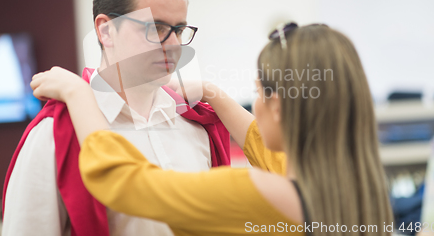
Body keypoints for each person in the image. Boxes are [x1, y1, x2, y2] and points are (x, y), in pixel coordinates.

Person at [30, 23, 394, 236]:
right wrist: (211, 93)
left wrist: (79, 94)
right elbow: (265, 148)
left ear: (278, 107)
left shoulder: (255, 194)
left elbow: (125, 181)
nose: (255, 106)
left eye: (258, 93)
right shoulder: (357, 196)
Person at [2, 0, 230, 236]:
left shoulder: (196, 125)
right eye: (157, 28)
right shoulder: (53, 134)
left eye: (180, 29)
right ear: (105, 31)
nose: (174, 45)